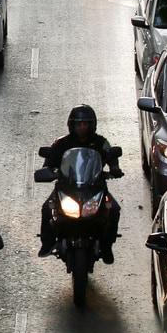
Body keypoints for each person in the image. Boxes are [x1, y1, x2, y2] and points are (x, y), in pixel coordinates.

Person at [38, 105, 123, 262]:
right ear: (72, 125)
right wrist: (49, 171)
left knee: (114, 209)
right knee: (46, 209)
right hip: (67, 187)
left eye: (86, 124)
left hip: (95, 187)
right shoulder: (61, 143)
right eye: (79, 124)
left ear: (92, 125)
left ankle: (107, 246)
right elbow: (49, 162)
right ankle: (47, 243)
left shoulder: (101, 142)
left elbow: (111, 155)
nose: (83, 127)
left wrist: (115, 168)